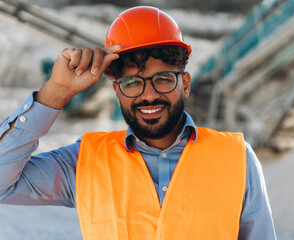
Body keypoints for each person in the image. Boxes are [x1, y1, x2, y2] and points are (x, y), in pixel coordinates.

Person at [0, 6, 276, 240]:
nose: (149, 94)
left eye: (164, 79)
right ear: (117, 92)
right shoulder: (83, 162)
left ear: (186, 84)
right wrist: (56, 92)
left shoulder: (237, 158)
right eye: (132, 83)